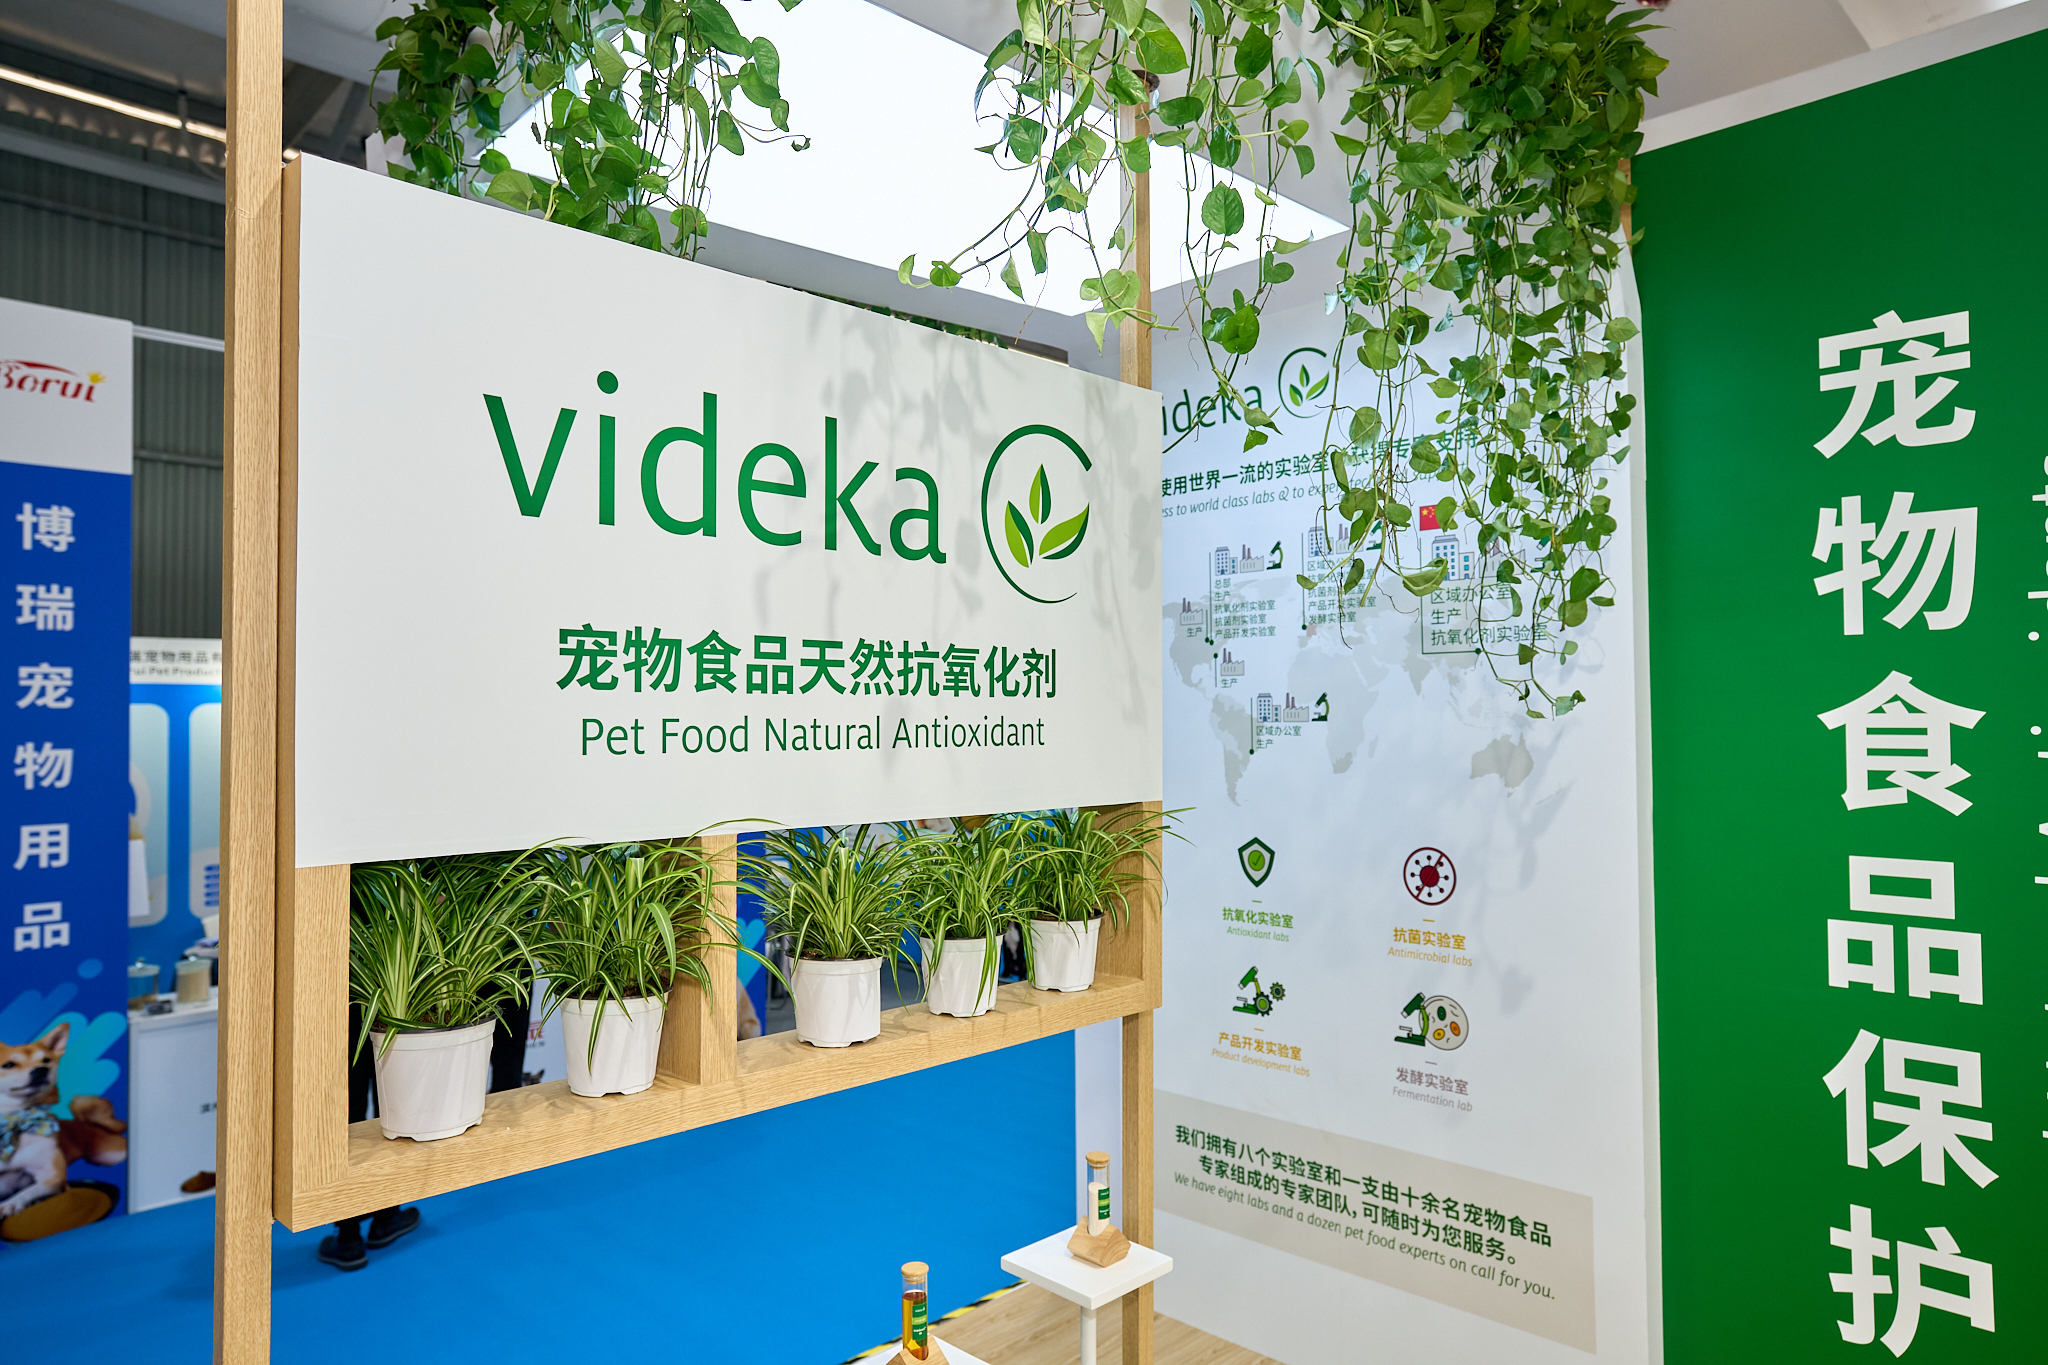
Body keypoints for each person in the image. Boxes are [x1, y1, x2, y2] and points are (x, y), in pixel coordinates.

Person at [317, 984, 532, 1271]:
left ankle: (348, 1235)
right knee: (394, 1101)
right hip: (388, 989)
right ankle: (386, 1215)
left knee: (350, 1108)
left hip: (341, 989)